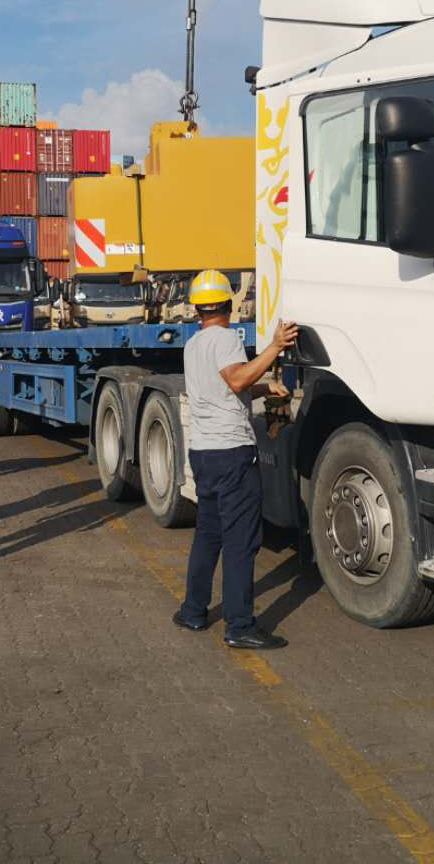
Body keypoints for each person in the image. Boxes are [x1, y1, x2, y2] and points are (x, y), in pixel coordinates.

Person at [173, 269, 298, 649]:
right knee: (241, 541)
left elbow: (224, 387)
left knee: (207, 536)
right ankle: (240, 626)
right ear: (228, 304)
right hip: (232, 455)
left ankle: (193, 611)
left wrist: (265, 387)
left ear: (198, 309)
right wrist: (275, 347)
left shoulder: (193, 345)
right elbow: (236, 380)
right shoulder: (227, 338)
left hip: (204, 452)